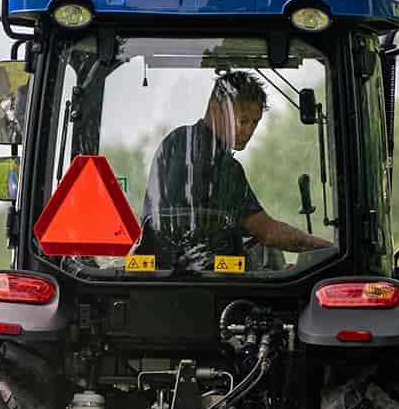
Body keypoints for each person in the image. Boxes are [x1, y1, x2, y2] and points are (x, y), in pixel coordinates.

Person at [139, 70, 333, 268]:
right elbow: (267, 231)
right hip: (211, 280)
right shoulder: (224, 167)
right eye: (243, 121)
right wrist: (330, 250)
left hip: (162, 271)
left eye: (255, 122)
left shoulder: (173, 142)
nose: (249, 131)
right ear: (215, 111)